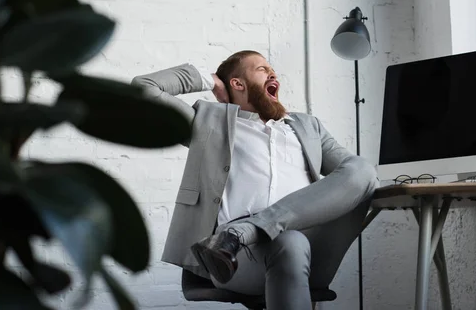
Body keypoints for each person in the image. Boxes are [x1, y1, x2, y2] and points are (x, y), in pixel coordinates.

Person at [132, 50, 377, 310]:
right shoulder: (208, 122)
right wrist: (211, 80)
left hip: (311, 245)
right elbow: (144, 88)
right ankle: (239, 236)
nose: (273, 73)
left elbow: (357, 177)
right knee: (290, 242)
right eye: (261, 69)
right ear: (238, 84)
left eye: (272, 69)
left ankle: (244, 232)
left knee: (363, 169)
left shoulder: (307, 127)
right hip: (235, 259)